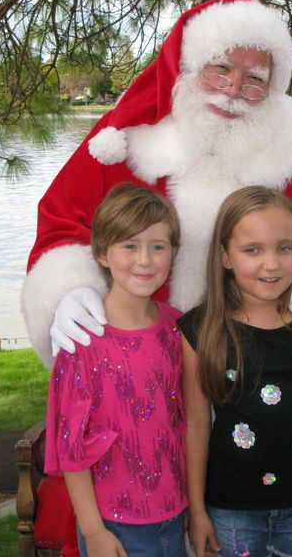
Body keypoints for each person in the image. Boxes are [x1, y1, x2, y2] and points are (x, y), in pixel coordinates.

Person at [23, 0, 292, 370]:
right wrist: (69, 290)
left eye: (254, 80)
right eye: (220, 69)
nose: (233, 90)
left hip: (252, 358)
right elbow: (61, 220)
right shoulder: (124, 138)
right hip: (137, 352)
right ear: (191, 65)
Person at [180, 186, 292, 557]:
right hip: (230, 510)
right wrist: (197, 511)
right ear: (225, 256)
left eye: (284, 247)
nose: (272, 264)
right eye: (253, 250)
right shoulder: (201, 332)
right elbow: (197, 427)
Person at [44, 183, 188, 557]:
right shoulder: (84, 342)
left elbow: (192, 423)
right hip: (114, 523)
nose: (145, 260)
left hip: (177, 513)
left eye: (158, 246)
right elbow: (71, 449)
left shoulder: (180, 329)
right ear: (102, 253)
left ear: (173, 252)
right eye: (129, 245)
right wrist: (93, 532)